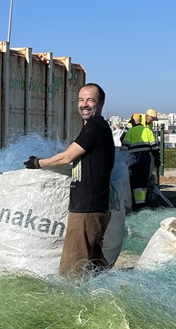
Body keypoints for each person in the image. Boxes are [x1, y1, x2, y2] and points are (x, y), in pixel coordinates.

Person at [23, 83, 115, 278]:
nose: (85, 104)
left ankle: (70, 304)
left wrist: (38, 162)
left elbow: (67, 157)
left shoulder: (94, 128)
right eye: (81, 100)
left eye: (90, 100)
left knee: (72, 268)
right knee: (96, 266)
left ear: (101, 102)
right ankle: (109, 298)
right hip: (95, 206)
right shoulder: (97, 127)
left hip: (87, 208)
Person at [122, 108, 160, 210]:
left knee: (137, 181)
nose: (152, 121)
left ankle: (139, 203)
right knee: (142, 180)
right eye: (151, 119)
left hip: (134, 157)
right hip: (145, 157)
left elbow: (124, 145)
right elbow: (154, 146)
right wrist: (157, 157)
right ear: (147, 116)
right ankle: (141, 203)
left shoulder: (139, 129)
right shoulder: (140, 128)